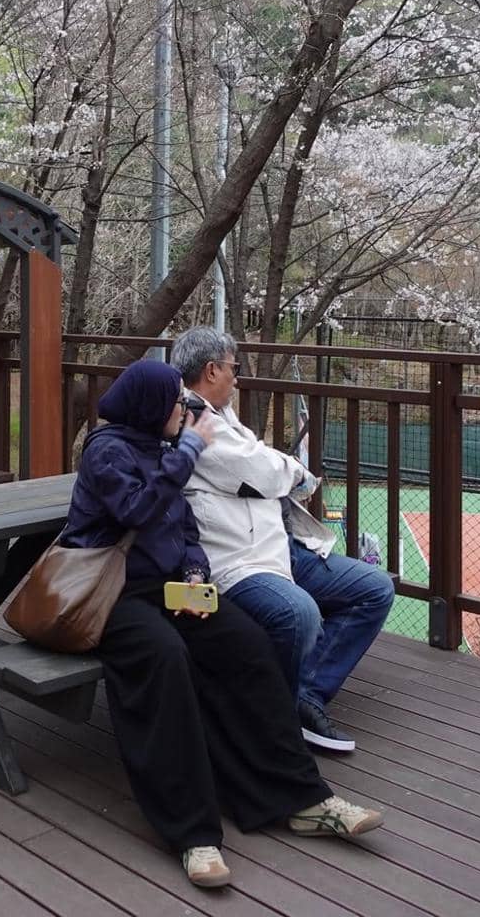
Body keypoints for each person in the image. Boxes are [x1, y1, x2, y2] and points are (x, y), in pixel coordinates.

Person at [62, 359, 383, 889]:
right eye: (173, 401)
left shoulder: (159, 448)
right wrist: (189, 451)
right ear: (146, 406)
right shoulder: (107, 451)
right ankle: (192, 833)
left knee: (247, 647)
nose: (184, 410)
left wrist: (194, 568)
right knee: (165, 659)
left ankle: (303, 799)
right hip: (112, 594)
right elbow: (139, 511)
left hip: (171, 588)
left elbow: (182, 526)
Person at [169, 327, 396, 753]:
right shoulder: (192, 419)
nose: (238, 377)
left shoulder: (220, 415)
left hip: (279, 549)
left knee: (374, 588)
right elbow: (265, 470)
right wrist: (296, 473)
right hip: (236, 561)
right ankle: (275, 715)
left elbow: (258, 466)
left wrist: (273, 472)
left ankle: (305, 696)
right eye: (234, 368)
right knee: (299, 613)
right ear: (212, 370)